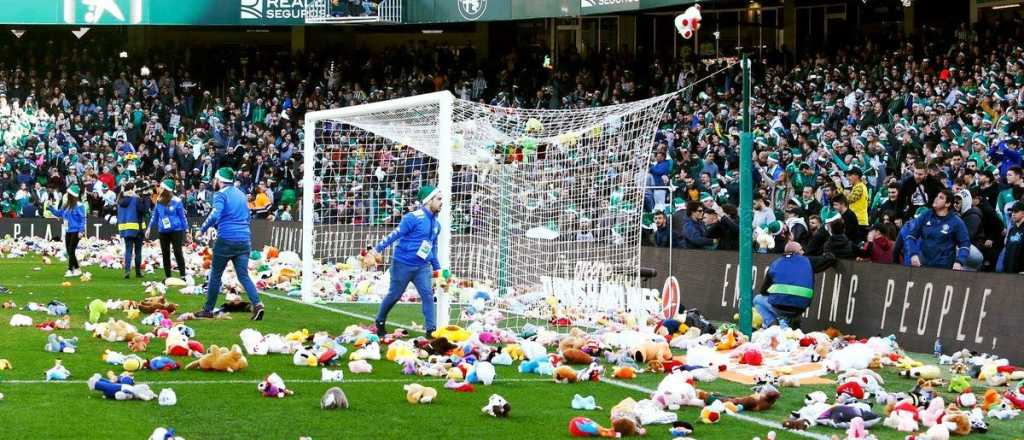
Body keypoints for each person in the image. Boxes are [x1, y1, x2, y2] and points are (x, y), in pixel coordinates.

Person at [370, 185, 444, 338]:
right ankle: (380, 320)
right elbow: (395, 234)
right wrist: (377, 249)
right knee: (394, 295)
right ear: (428, 201)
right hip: (402, 264)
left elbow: (433, 248)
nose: (441, 202)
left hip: (422, 267)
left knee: (428, 295)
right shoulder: (413, 217)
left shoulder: (437, 225)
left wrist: (438, 269)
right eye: (438, 199)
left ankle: (431, 330)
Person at [196, 168, 264, 320]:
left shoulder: (220, 194)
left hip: (226, 238)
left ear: (220, 180)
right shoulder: (241, 194)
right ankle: (258, 304)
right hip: (244, 239)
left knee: (215, 275)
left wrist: (202, 229)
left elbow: (215, 214)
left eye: (215, 179)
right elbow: (247, 217)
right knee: (243, 275)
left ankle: (208, 310)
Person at [754, 241, 836, 328]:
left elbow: (763, 291)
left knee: (757, 299)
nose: (803, 252)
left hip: (779, 308)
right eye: (801, 250)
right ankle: (785, 322)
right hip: (800, 308)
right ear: (796, 252)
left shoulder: (776, 263)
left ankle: (773, 325)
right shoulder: (808, 261)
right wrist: (827, 251)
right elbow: (830, 259)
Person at [906, 189, 971, 270]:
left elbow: (965, 244)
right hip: (923, 264)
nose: (936, 199)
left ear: (947, 204)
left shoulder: (957, 222)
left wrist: (959, 262)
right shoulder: (926, 215)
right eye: (937, 196)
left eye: (941, 197)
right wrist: (913, 254)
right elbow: (911, 236)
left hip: (944, 268)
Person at [147, 179, 189, 281]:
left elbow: (182, 217)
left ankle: (183, 275)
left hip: (176, 230)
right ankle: (168, 276)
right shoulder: (158, 201)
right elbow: (155, 216)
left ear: (167, 190)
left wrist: (187, 231)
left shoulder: (177, 201)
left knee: (178, 252)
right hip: (163, 231)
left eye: (162, 188)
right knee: (165, 253)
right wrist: (149, 228)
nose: (159, 189)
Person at [49, 184, 86, 277]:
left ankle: (70, 269)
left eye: (68, 193)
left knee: (71, 250)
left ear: (72, 195)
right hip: (68, 230)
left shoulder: (79, 205)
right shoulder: (66, 205)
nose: (66, 194)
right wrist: (51, 208)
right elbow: (59, 213)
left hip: (76, 230)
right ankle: (77, 269)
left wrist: (81, 231)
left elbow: (82, 219)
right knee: (69, 251)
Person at [116, 182, 148, 279]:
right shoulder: (136, 199)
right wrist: (145, 199)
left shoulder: (120, 200)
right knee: (138, 251)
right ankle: (138, 272)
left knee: (128, 250)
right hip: (137, 228)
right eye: (135, 188)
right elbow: (143, 210)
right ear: (131, 190)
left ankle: (127, 271)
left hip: (126, 229)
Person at [1002, 202, 1024, 274]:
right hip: (1009, 272)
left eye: (1016, 211)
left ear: (1023, 213)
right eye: (1012, 211)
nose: (1013, 214)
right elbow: (1007, 250)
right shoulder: (1011, 230)